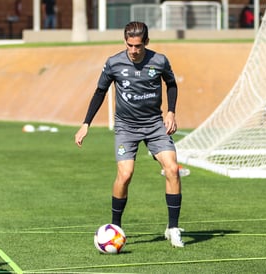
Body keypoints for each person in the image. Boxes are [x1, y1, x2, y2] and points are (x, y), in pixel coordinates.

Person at [74, 21, 184, 248]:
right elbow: (100, 91)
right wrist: (86, 123)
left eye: (138, 46)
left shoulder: (159, 60)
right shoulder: (114, 63)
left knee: (172, 168)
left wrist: (171, 112)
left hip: (155, 124)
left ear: (146, 42)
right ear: (125, 41)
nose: (133, 51)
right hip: (126, 127)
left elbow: (171, 84)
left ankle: (173, 228)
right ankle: (115, 227)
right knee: (125, 174)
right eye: (129, 45)